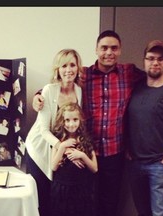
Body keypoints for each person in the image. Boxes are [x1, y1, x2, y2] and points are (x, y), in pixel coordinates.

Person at [32, 30, 146, 216]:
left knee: (110, 199)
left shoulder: (128, 73)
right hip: (85, 146)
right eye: (104, 48)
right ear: (96, 50)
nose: (109, 52)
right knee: (83, 197)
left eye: (114, 48)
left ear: (120, 51)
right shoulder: (83, 75)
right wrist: (38, 95)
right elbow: (59, 85)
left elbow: (153, 76)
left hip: (113, 150)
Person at [25, 48, 83, 216]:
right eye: (64, 65)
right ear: (57, 69)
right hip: (40, 148)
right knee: (41, 197)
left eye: (72, 64)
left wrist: (72, 148)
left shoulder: (79, 91)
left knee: (57, 196)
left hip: (59, 150)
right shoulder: (49, 90)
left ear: (78, 67)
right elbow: (43, 130)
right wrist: (63, 146)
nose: (68, 70)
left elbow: (75, 124)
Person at [126, 40, 163, 216]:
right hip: (136, 164)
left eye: (160, 59)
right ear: (144, 60)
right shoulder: (136, 88)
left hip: (162, 166)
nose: (155, 62)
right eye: (150, 58)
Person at [50, 102, 98, 216]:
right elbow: (53, 166)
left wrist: (82, 155)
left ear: (80, 120)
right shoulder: (57, 140)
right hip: (62, 190)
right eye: (67, 120)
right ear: (62, 121)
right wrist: (62, 147)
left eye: (75, 119)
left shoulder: (86, 140)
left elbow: (95, 168)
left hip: (81, 189)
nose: (71, 124)